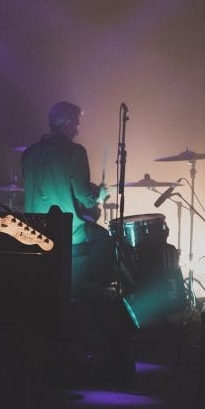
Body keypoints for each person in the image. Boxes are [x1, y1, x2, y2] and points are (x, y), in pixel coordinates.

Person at [21, 101, 134, 387]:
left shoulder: (29, 154)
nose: (79, 128)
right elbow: (85, 198)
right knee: (105, 242)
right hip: (67, 237)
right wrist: (101, 194)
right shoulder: (75, 152)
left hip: (33, 238)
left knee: (53, 296)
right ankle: (98, 306)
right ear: (67, 122)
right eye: (77, 122)